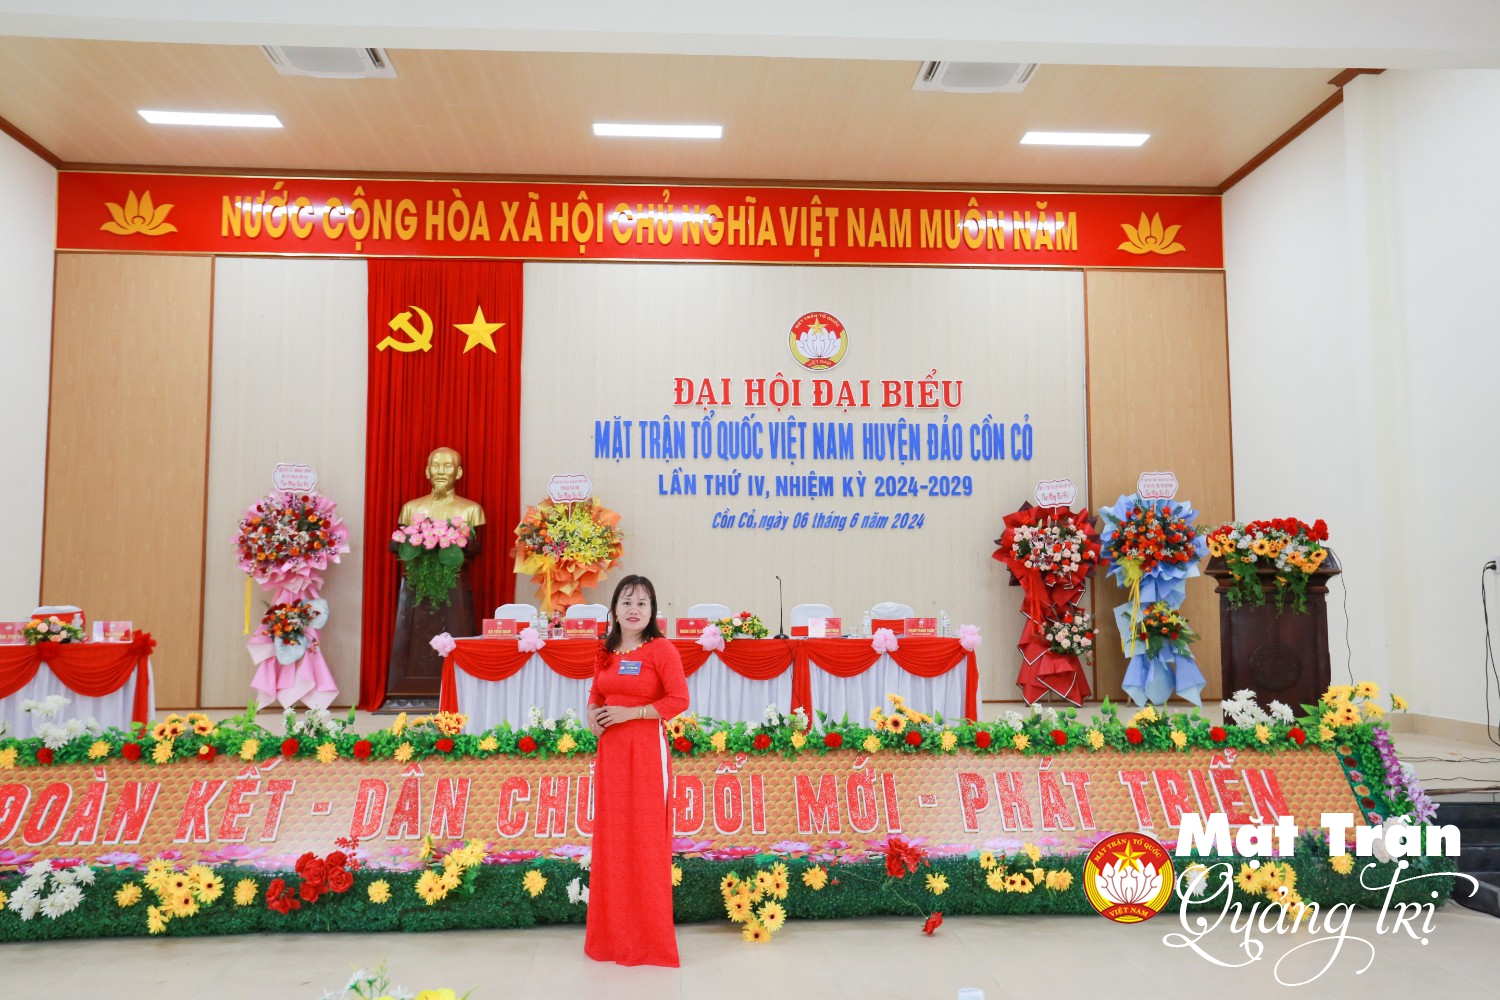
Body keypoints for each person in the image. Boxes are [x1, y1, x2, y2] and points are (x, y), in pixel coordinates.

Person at [584, 575, 688, 967]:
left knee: (644, 838)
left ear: (652, 611)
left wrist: (633, 713)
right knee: (613, 839)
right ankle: (611, 937)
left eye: (642, 603)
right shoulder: (607, 650)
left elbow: (679, 699)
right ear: (614, 609)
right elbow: (597, 692)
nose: (634, 609)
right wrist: (592, 715)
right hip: (611, 753)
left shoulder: (661, 650)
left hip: (645, 753)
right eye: (626, 602)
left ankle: (648, 940)